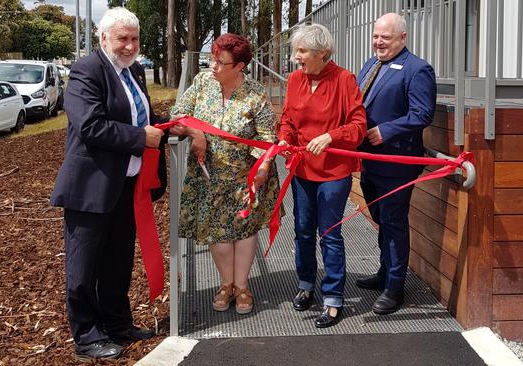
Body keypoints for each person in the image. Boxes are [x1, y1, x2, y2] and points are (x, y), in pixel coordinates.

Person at [50, 7, 168, 360]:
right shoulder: (87, 71)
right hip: (90, 187)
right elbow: (90, 126)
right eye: (122, 38)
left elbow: (138, 116)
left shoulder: (134, 71)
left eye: (134, 39)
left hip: (126, 187)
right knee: (84, 267)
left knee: (118, 262)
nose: (130, 45)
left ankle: (117, 322)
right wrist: (140, 138)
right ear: (103, 39)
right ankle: (86, 336)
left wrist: (170, 126)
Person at [170, 34, 281, 315]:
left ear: (240, 66)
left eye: (221, 62)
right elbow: (178, 114)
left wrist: (262, 169)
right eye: (212, 60)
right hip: (209, 176)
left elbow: (269, 138)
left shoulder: (256, 94)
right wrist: (196, 132)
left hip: (246, 176)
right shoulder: (202, 83)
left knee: (244, 230)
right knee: (218, 232)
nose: (214, 67)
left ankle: (243, 286)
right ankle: (226, 284)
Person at [277, 24, 366, 328]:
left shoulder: (344, 79)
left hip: (333, 172)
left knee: (329, 233)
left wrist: (331, 136)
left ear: (323, 53)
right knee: (302, 229)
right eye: (296, 51)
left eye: (301, 51)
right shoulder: (295, 80)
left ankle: (334, 298)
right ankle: (305, 283)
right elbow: (288, 119)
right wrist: (284, 139)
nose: (295, 57)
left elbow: (358, 126)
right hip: (302, 169)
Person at [355, 13, 436, 315]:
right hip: (369, 160)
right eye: (376, 36)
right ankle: (384, 271)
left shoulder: (418, 70)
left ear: (402, 38)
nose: (378, 42)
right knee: (381, 217)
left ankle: (395, 287)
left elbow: (422, 114)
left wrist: (386, 130)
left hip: (397, 162)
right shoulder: (369, 64)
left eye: (385, 38)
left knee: (394, 222)